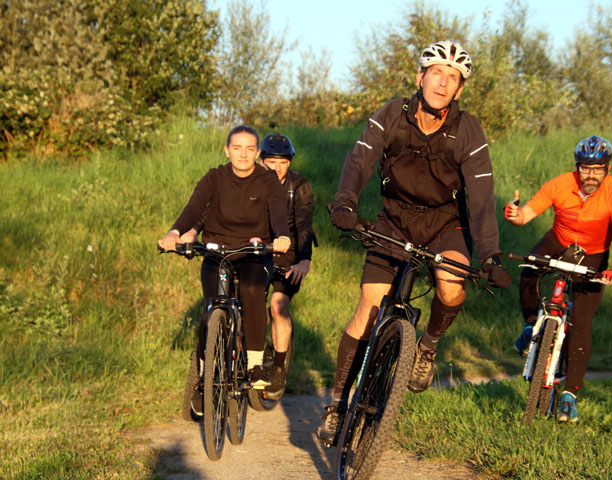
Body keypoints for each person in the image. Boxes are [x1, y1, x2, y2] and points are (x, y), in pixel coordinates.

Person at [317, 40, 512, 446]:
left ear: (459, 90)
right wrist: (345, 202)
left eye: (452, 78)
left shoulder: (468, 130)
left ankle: (428, 346)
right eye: (436, 73)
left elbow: (481, 196)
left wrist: (490, 253)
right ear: (421, 77)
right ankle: (337, 406)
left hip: (446, 225)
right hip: (394, 220)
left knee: (451, 283)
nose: (443, 83)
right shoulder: (392, 114)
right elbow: (360, 159)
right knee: (368, 309)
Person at [158, 125, 291, 411]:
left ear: (257, 152)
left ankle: (255, 365)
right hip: (217, 250)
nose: (243, 154)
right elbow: (193, 209)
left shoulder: (267, 180)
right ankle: (205, 380)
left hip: (255, 252)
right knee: (211, 308)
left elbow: (279, 212)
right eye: (237, 148)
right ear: (227, 150)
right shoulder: (215, 177)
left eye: (249, 149)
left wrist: (281, 237)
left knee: (252, 291)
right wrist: (174, 234)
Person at [504, 135, 612, 423]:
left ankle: (570, 394)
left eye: (597, 168)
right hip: (559, 241)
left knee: (582, 322)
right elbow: (526, 214)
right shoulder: (561, 184)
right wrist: (515, 214)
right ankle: (530, 326)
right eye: (585, 168)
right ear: (577, 167)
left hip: (594, 253)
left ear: (608, 169)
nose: (590, 175)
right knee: (529, 269)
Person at [259, 133, 316, 400]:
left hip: (290, 251)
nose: (277, 167)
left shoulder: (299, 185)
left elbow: (304, 225)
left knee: (278, 306)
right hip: (258, 249)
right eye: (271, 161)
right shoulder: (252, 182)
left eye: (283, 162)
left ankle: (279, 369)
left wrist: (304, 260)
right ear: (261, 161)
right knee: (249, 299)